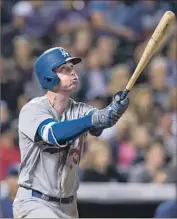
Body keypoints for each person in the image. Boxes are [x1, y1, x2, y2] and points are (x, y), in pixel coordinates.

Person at [12, 47, 129, 218]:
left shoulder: (79, 109)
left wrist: (114, 110)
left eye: (72, 68)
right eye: (64, 69)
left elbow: (100, 123)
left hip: (69, 205)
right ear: (48, 76)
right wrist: (95, 119)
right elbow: (54, 134)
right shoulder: (32, 109)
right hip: (34, 202)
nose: (73, 73)